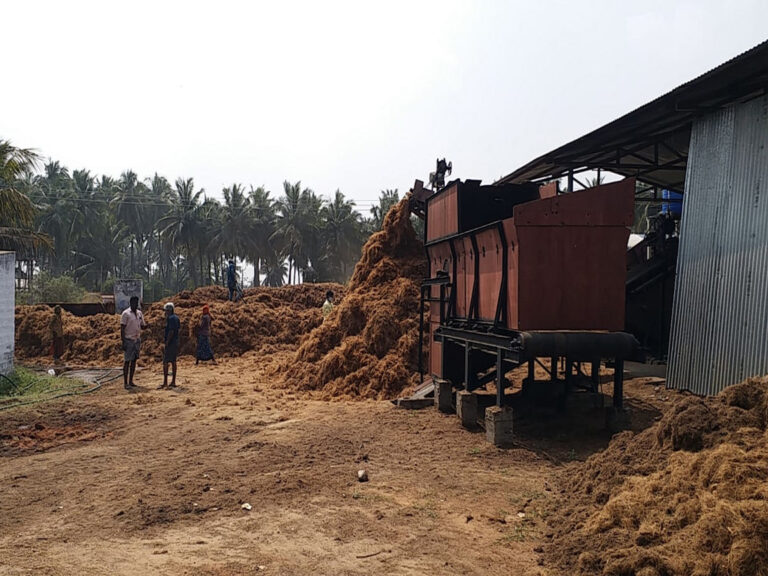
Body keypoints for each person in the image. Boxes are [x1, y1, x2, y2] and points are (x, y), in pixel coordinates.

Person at [120, 296, 146, 390]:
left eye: (137, 303)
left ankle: (131, 381)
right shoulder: (126, 314)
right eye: (134, 303)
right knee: (127, 361)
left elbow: (143, 325)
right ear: (130, 303)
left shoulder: (139, 313)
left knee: (134, 360)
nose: (135, 304)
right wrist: (123, 342)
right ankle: (125, 383)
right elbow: (122, 328)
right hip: (128, 339)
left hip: (136, 340)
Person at [160, 302, 181, 389]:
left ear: (169, 310)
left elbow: (171, 331)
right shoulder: (176, 318)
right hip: (175, 342)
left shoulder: (170, 319)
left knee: (165, 362)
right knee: (173, 361)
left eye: (166, 311)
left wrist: (167, 342)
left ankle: (165, 382)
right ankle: (173, 381)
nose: (165, 312)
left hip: (171, 342)